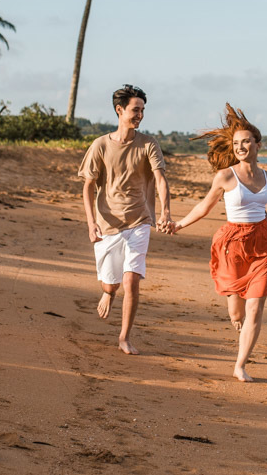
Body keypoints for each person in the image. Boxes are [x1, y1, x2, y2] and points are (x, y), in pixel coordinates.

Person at [169, 104, 267, 381]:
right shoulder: (226, 176)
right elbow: (204, 206)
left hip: (262, 243)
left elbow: (259, 208)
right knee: (236, 311)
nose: (241, 146)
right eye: (236, 143)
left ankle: (240, 365)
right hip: (233, 244)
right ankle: (236, 317)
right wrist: (179, 224)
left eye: (246, 141)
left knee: (255, 305)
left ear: (257, 144)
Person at [79, 84, 172, 355]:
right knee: (111, 283)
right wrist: (90, 222)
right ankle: (108, 292)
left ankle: (124, 337)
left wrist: (165, 211)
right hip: (107, 224)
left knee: (132, 279)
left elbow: (160, 179)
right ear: (119, 110)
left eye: (142, 110)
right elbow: (88, 186)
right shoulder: (100, 145)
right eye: (135, 109)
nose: (140, 115)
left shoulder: (148, 144)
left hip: (140, 221)